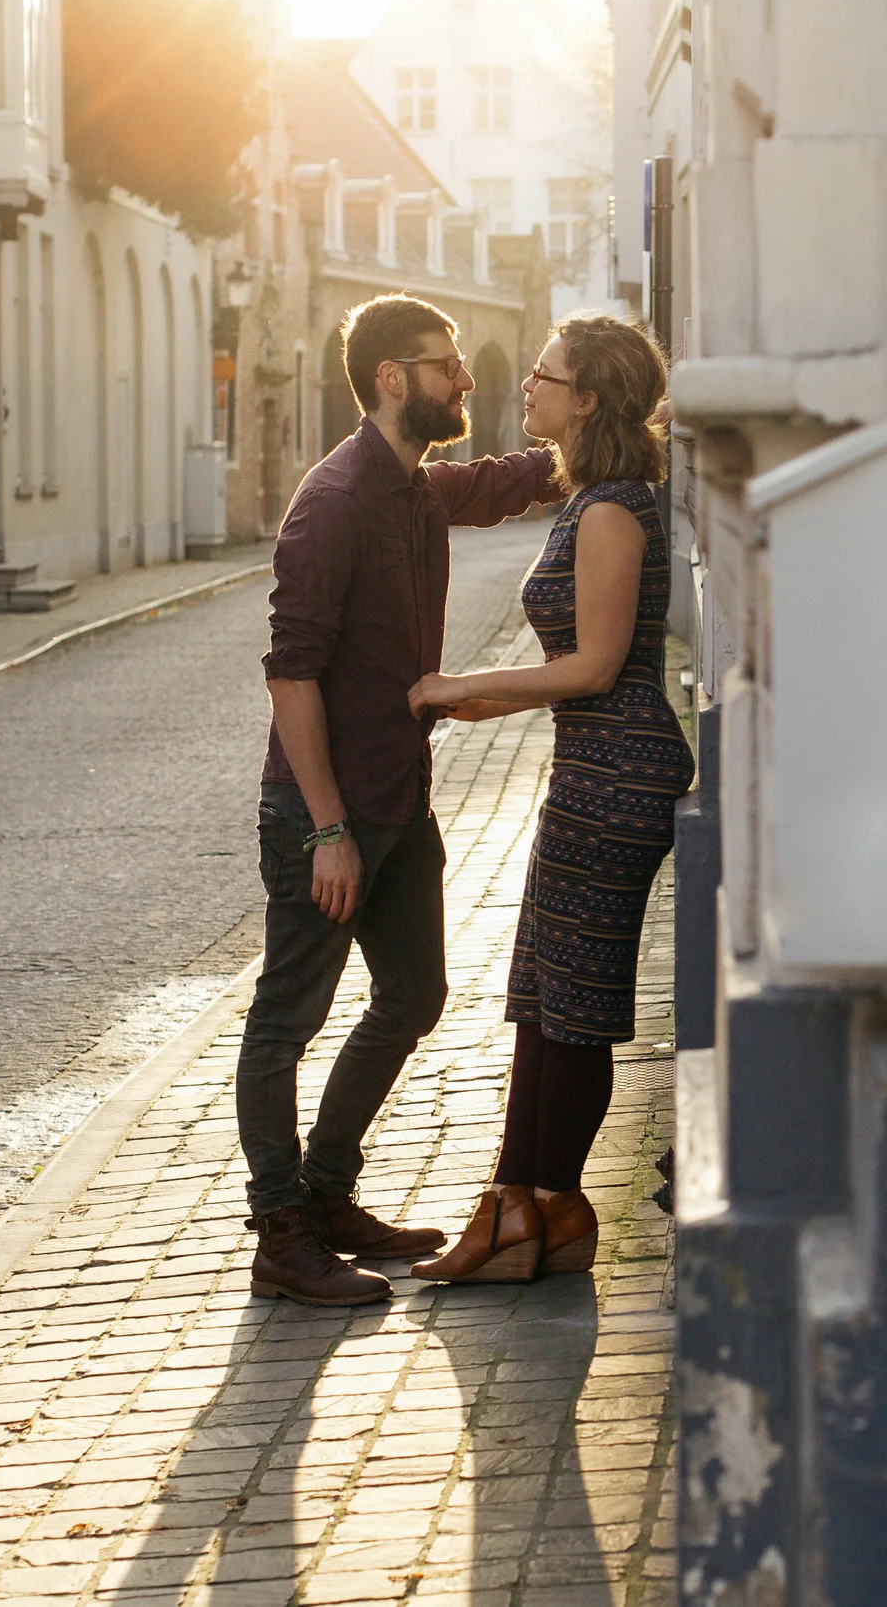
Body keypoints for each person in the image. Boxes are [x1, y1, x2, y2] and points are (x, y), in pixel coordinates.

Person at [241, 294, 560, 1306]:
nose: (464, 378)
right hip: (323, 813)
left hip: (399, 799)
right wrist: (328, 828)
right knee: (284, 1022)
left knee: (413, 994)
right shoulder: (332, 503)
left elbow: (509, 481)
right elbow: (292, 676)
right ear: (392, 379)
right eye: (444, 363)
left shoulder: (415, 487)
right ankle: (281, 1234)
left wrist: (613, 423)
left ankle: (330, 1193)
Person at [404, 312, 692, 1283]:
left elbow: (599, 663)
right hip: (593, 761)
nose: (525, 386)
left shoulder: (612, 507)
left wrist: (460, 683)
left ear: (591, 399)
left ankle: (545, 1209)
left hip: (619, 770)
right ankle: (519, 1205)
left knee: (572, 998)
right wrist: (485, 702)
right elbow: (577, 668)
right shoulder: (589, 498)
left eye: (545, 375)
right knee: (539, 989)